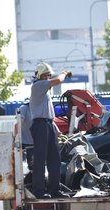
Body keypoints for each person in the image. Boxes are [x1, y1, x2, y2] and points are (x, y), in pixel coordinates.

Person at [29, 62, 71, 199]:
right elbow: (58, 80)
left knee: (54, 159)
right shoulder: (38, 86)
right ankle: (39, 192)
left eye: (49, 75)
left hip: (47, 124)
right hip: (40, 125)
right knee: (40, 160)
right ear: (40, 75)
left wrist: (55, 128)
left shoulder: (44, 89)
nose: (48, 77)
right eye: (46, 75)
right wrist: (64, 73)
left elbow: (48, 113)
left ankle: (55, 190)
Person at [13, 101, 34, 170]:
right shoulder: (24, 108)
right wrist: (14, 139)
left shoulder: (39, 108)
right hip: (26, 144)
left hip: (38, 143)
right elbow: (17, 125)